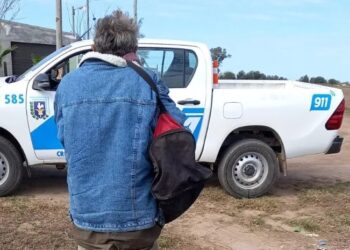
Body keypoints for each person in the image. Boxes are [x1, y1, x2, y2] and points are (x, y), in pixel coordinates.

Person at [54, 10, 185, 250]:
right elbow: (176, 129)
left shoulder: (67, 85)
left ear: (96, 46)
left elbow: (64, 138)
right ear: (133, 48)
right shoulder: (147, 81)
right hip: (139, 223)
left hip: (87, 223)